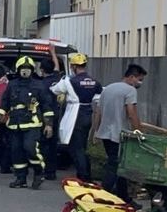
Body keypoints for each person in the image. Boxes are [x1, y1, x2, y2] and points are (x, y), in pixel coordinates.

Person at [0, 56, 54, 189]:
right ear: (18, 70)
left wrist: (49, 125)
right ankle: (20, 178)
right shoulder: (12, 84)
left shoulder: (39, 85)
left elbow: (47, 107)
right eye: (23, 68)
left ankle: (39, 172)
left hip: (32, 124)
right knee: (16, 151)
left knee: (30, 148)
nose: (25, 71)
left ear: (32, 70)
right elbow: (4, 104)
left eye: (28, 69)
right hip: (15, 124)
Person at [95, 63, 147, 203]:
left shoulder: (108, 89)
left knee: (120, 165)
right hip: (119, 135)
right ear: (131, 77)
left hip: (105, 133)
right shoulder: (130, 90)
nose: (140, 83)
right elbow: (131, 113)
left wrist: (95, 131)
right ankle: (104, 194)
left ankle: (124, 197)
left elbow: (98, 112)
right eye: (139, 79)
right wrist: (139, 131)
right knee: (115, 164)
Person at [50, 53, 103, 182]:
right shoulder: (94, 81)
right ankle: (86, 173)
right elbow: (99, 96)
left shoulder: (69, 81)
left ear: (73, 66)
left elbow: (54, 90)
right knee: (83, 145)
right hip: (88, 113)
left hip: (75, 115)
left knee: (76, 147)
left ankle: (84, 176)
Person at [37, 49, 63, 180]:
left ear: (41, 70)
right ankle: (51, 172)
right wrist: (53, 52)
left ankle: (42, 169)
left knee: (43, 144)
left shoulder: (41, 85)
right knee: (53, 145)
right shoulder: (58, 79)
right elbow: (57, 66)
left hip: (45, 117)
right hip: (57, 115)